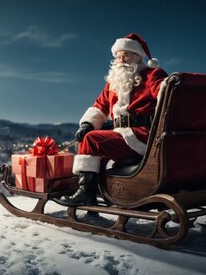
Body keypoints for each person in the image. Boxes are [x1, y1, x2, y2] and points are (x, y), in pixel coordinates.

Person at [58, 33, 168, 206]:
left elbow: (165, 91)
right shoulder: (113, 84)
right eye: (118, 56)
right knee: (94, 138)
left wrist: (168, 87)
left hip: (143, 136)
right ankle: (100, 191)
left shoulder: (152, 75)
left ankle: (86, 192)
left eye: (126, 55)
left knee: (92, 139)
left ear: (138, 57)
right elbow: (99, 106)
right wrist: (87, 123)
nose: (121, 59)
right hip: (122, 134)